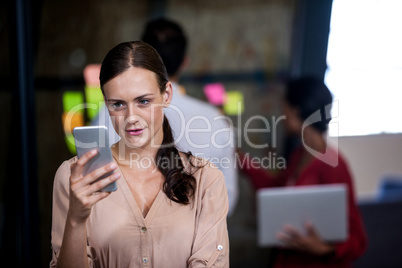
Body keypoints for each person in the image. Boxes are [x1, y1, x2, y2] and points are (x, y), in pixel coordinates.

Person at [50, 41, 229, 268]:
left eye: (143, 101)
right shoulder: (75, 177)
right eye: (118, 104)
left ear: (167, 94)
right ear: (106, 104)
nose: (131, 117)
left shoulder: (205, 179)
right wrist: (76, 218)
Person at [239, 77, 367, 267]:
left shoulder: (333, 165)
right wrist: (241, 160)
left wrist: (325, 249)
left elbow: (358, 240)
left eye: (284, 107)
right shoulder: (300, 155)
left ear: (295, 111)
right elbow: (275, 189)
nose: (281, 114)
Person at [141, 17, 238, 217]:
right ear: (185, 62)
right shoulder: (215, 120)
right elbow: (227, 197)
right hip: (198, 243)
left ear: (139, 59)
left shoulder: (111, 115)